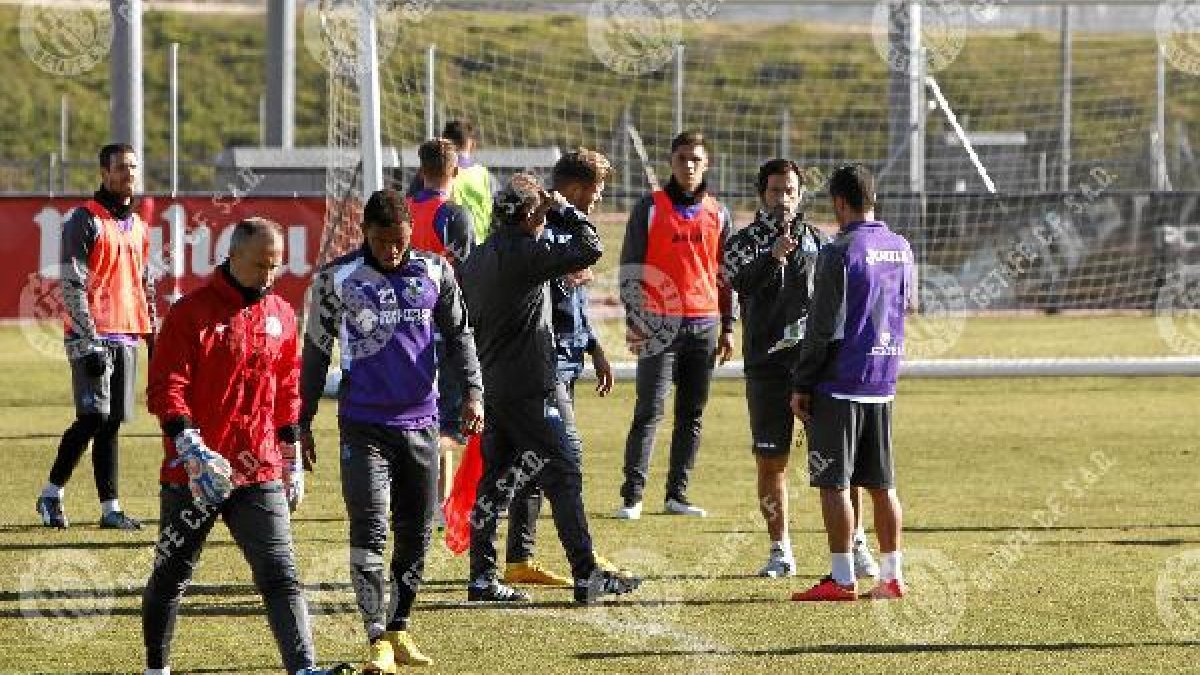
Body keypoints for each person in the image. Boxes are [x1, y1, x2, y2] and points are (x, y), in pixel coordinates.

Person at [299, 189, 483, 670]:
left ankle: (399, 627)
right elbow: (316, 352)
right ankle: (375, 635)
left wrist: (474, 393)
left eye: (400, 242)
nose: (392, 251)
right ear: (366, 234)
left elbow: (461, 335)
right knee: (370, 527)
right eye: (383, 242)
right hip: (364, 425)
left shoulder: (436, 271)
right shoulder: (337, 279)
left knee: (416, 532)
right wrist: (302, 418)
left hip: (422, 424)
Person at [142, 218, 327, 674]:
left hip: (258, 468)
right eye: (262, 264)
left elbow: (286, 388)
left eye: (276, 266)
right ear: (234, 256)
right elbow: (167, 385)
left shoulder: (282, 314)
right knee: (172, 575)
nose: (269, 275)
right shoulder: (191, 312)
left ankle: (303, 667)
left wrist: (289, 454)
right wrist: (188, 442)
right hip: (195, 472)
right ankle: (156, 667)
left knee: (281, 575)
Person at [460, 173, 640, 604]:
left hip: (493, 385)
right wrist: (564, 209)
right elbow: (591, 247)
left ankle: (482, 578)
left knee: (495, 483)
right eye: (537, 213)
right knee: (564, 469)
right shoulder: (526, 251)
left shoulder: (479, 259)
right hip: (530, 387)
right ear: (527, 215)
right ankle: (585, 573)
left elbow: (515, 297)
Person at [726, 159, 879, 579]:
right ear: (762, 195)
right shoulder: (744, 242)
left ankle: (857, 544)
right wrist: (772, 258)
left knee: (839, 463)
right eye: (776, 190)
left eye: (790, 190)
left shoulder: (820, 242)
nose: (784, 198)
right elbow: (737, 282)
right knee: (772, 461)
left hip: (816, 370)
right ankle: (780, 550)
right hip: (767, 367)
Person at [789, 164, 915, 602]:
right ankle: (892, 576)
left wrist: (802, 381)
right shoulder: (901, 247)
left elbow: (821, 327)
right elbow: (907, 306)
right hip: (883, 379)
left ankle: (842, 579)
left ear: (839, 203)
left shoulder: (838, 251)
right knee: (882, 483)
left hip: (839, 381)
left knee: (833, 483)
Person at [502, 149, 617, 588]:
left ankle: (521, 559)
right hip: (543, 362)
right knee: (563, 462)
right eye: (596, 189)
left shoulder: (566, 230)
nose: (599, 198)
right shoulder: (546, 230)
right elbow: (542, 297)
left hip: (567, 356)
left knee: (536, 461)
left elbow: (574, 301)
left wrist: (594, 346)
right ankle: (578, 557)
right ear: (574, 189)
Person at [616, 130, 735, 520]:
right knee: (649, 409)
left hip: (704, 325)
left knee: (692, 414)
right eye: (682, 158)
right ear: (671, 161)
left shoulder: (719, 214)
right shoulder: (649, 208)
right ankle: (632, 497)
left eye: (696, 159)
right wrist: (635, 320)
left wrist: (729, 327)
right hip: (658, 325)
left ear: (707, 164)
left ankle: (677, 495)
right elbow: (630, 268)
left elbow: (725, 274)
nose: (689, 166)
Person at [36, 142, 156, 531]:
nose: (128, 174)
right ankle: (51, 493)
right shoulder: (84, 220)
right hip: (90, 336)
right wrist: (87, 341)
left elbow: (144, 284)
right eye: (121, 168)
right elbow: (71, 284)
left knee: (113, 421)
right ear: (104, 173)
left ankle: (110, 509)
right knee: (93, 416)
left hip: (126, 334)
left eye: (133, 167)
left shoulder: (138, 226)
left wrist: (152, 335)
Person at [405, 137, 477, 517]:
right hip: (444, 326)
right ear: (455, 171)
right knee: (451, 425)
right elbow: (467, 276)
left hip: (406, 327)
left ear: (421, 170)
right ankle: (416, 456)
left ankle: (438, 505)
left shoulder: (403, 212)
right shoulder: (453, 215)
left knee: (426, 412)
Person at [443, 119, 494, 242]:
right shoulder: (484, 174)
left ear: (444, 142)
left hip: (450, 248)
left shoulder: (439, 172)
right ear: (472, 144)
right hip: (481, 245)